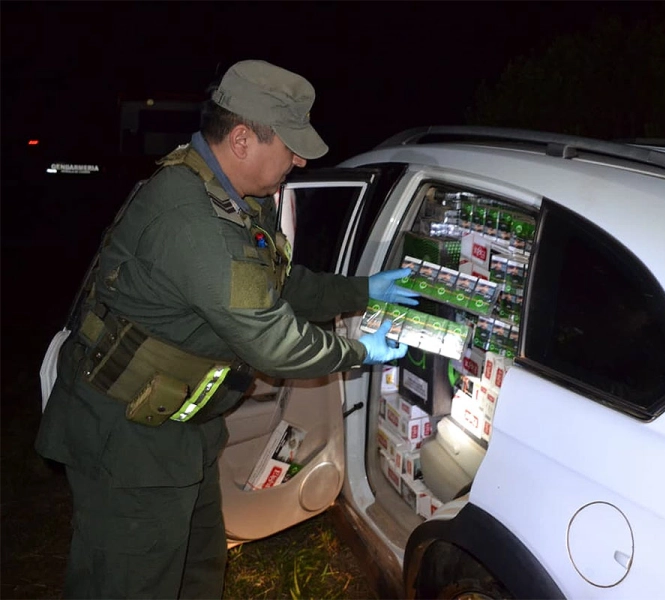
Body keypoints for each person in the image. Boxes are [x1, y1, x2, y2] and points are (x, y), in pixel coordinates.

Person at [35, 59, 419, 599]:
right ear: (242, 139)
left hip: (176, 426)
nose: (300, 157)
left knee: (197, 570)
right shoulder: (194, 222)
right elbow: (275, 343)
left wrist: (363, 290)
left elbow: (280, 286)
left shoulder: (235, 200)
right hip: (126, 441)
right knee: (129, 584)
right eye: (290, 144)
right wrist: (359, 350)